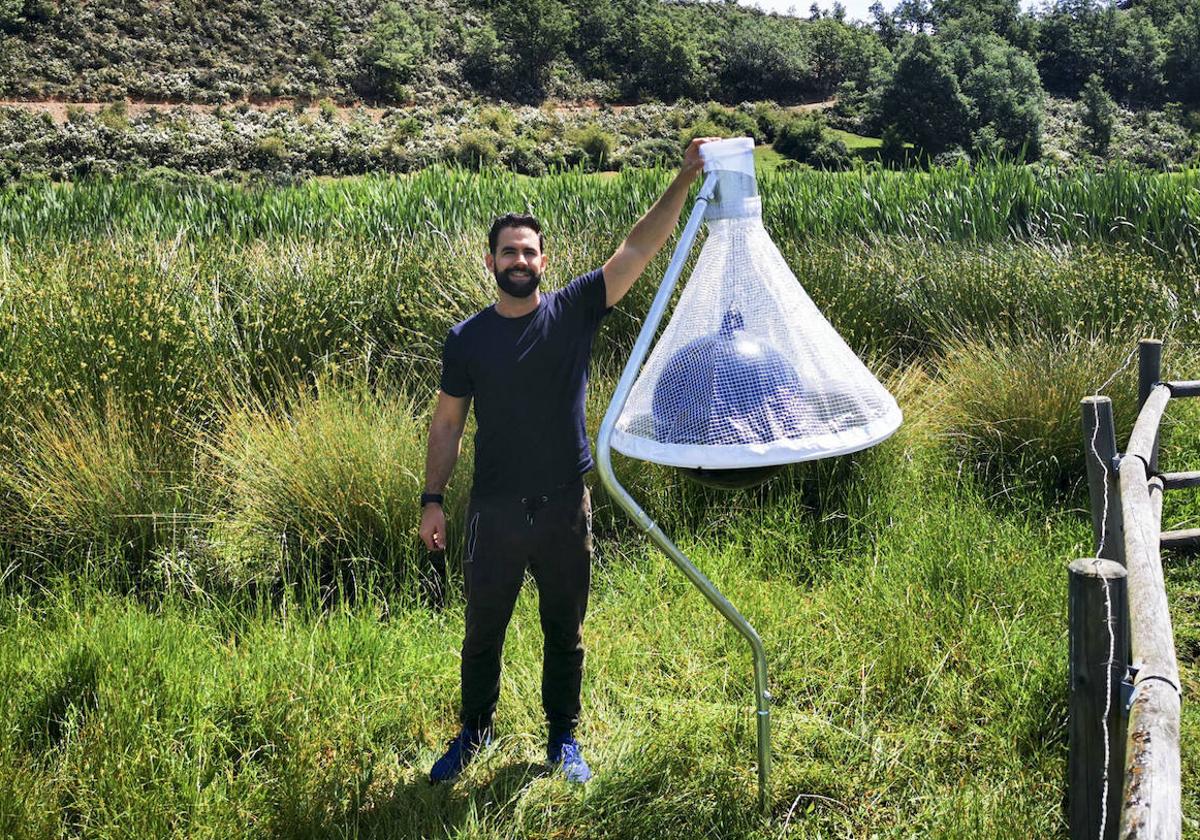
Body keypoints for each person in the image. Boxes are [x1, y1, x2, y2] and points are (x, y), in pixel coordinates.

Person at [419, 137, 717, 784]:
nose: (519, 260)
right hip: (494, 510)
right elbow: (447, 422)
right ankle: (474, 731)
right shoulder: (467, 339)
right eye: (508, 251)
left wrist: (685, 178)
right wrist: (432, 499)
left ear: (543, 261)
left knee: (565, 631)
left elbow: (638, 248)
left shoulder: (574, 311)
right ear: (491, 262)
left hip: (564, 505)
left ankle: (563, 740)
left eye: (528, 250)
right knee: (481, 634)